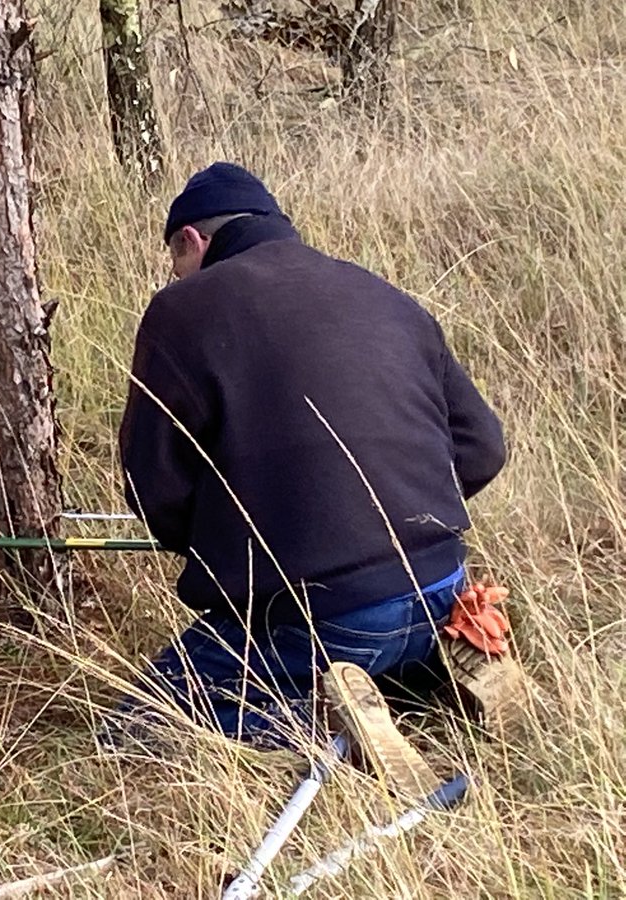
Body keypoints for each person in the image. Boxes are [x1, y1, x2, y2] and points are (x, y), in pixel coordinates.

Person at [116, 162, 520, 749]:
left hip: (326, 613)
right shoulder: (384, 294)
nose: (177, 274)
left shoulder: (181, 311)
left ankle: (329, 731)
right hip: (444, 588)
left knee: (140, 725)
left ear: (192, 240)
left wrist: (227, 543)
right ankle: (436, 679)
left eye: (176, 259)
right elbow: (483, 449)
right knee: (373, 652)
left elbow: (156, 487)